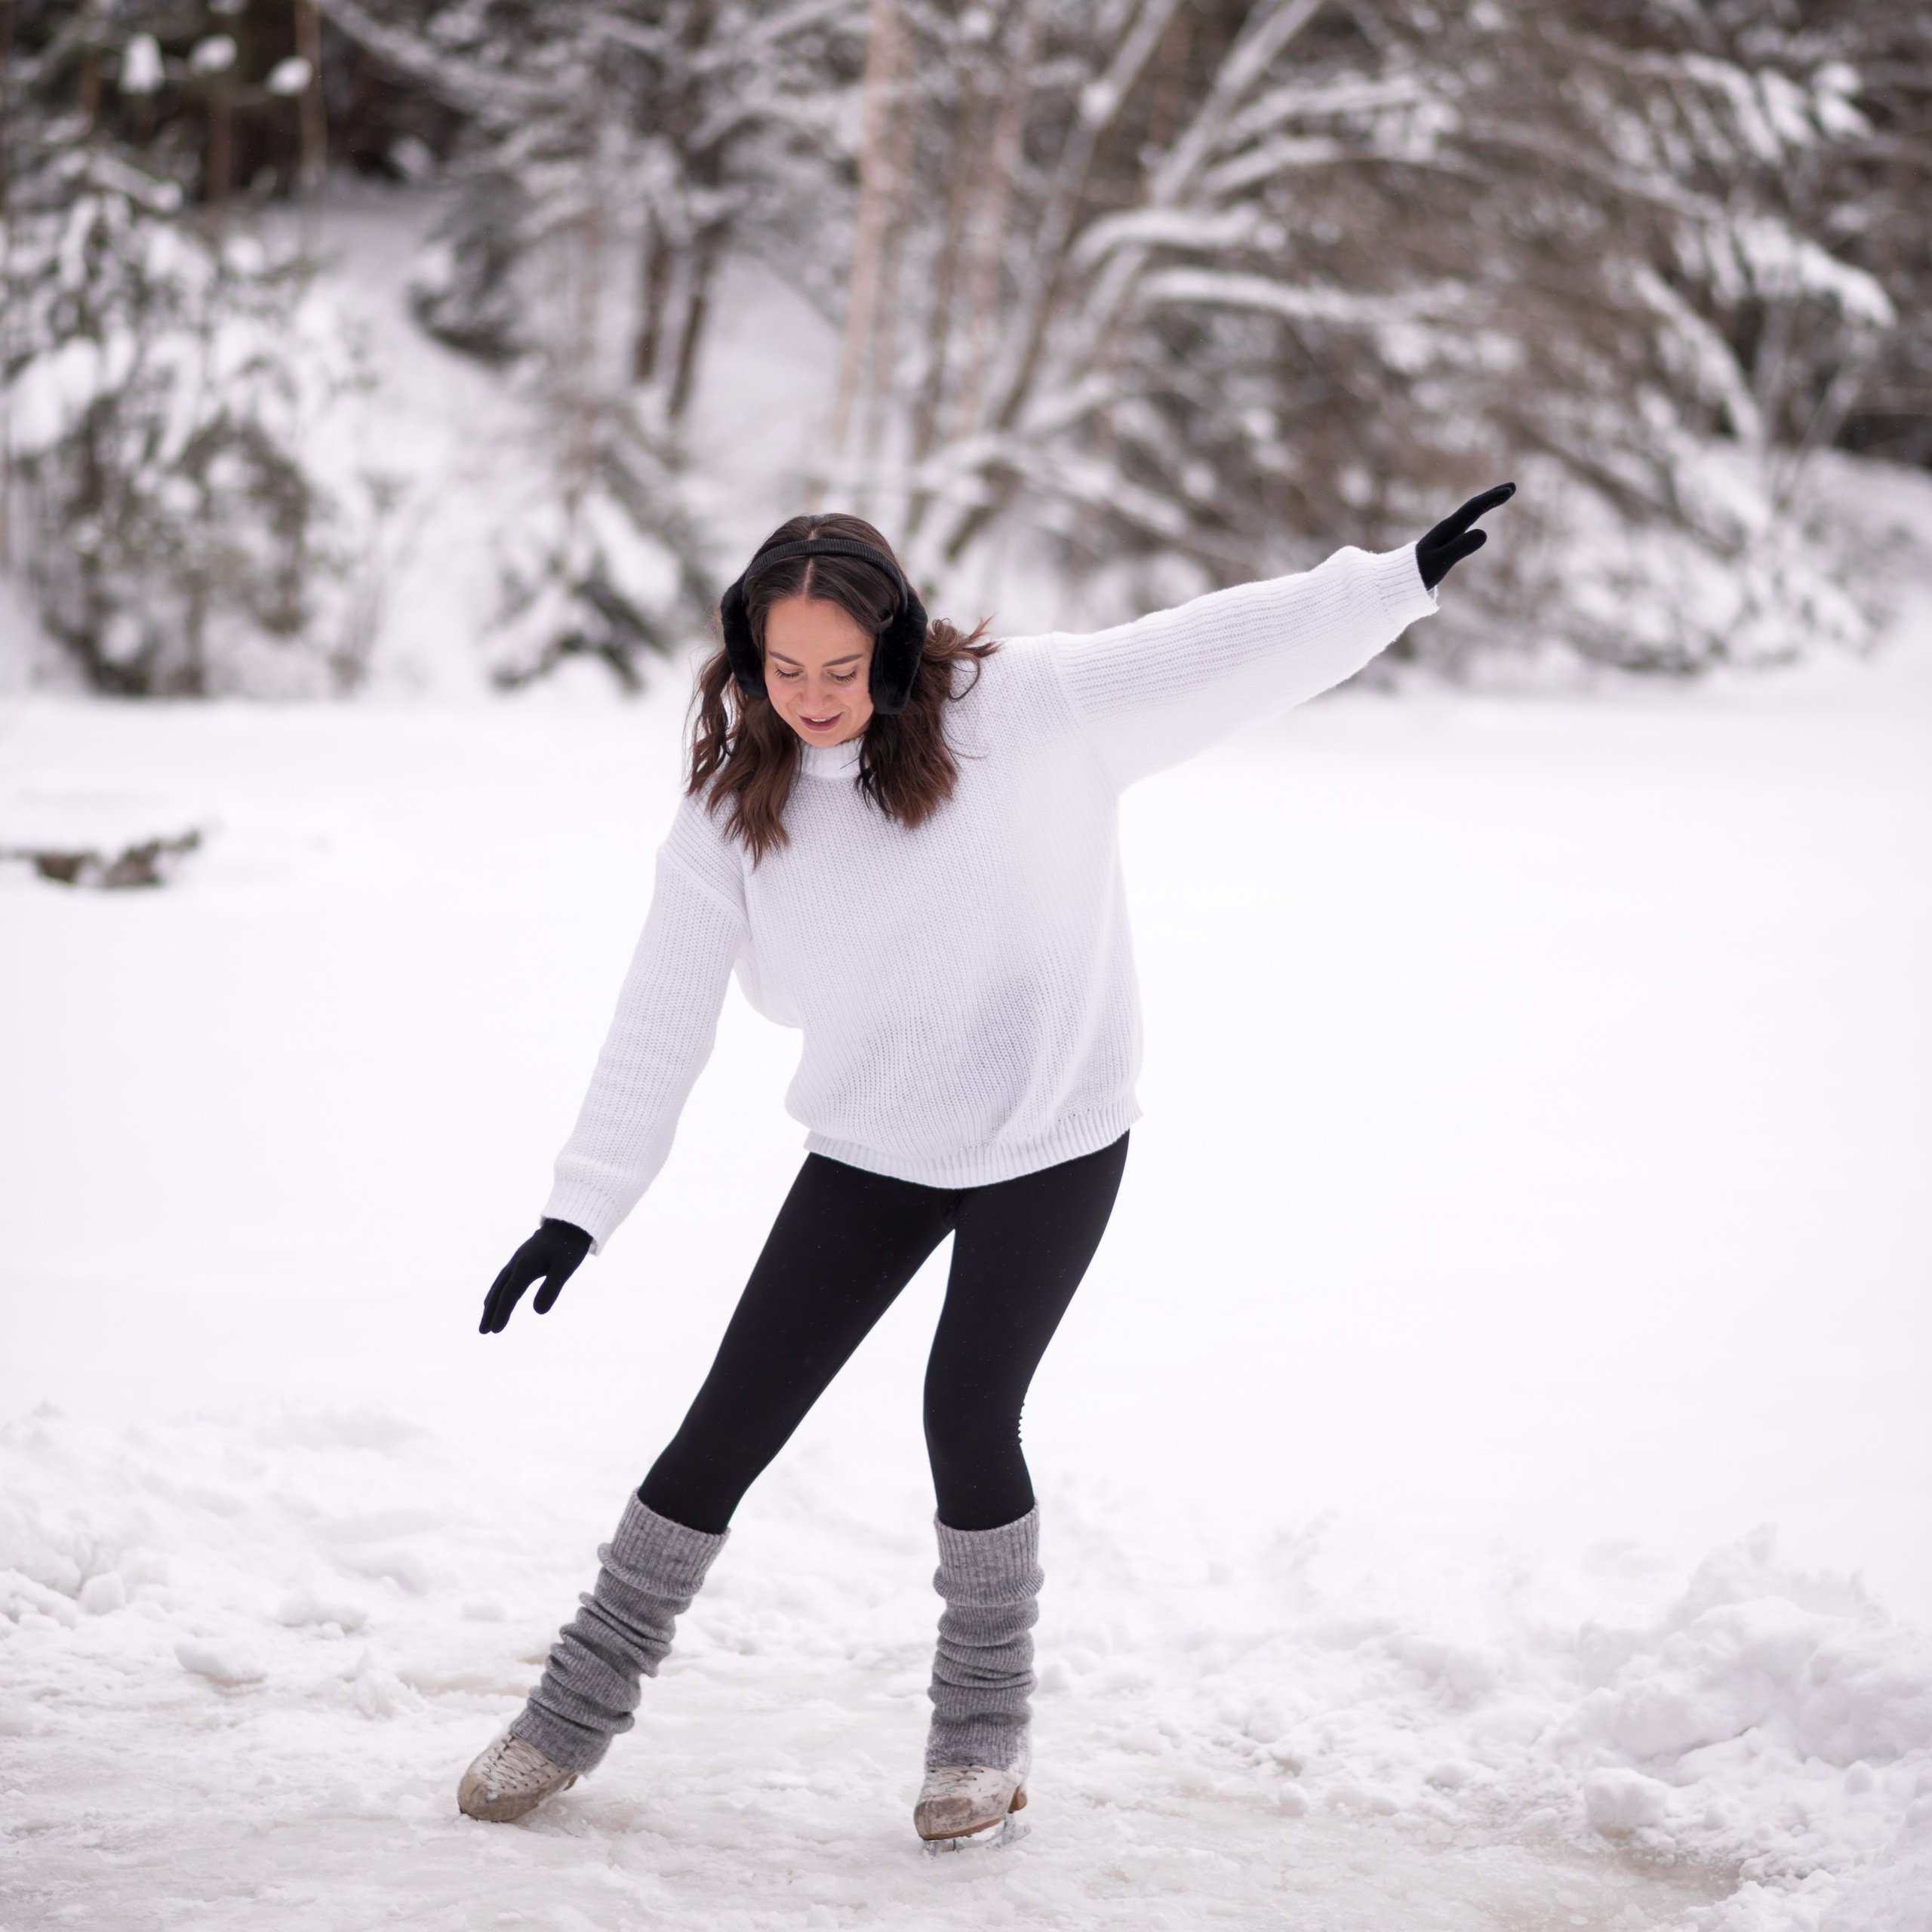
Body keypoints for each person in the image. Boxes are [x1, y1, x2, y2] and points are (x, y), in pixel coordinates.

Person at [456, 486, 1515, 1844]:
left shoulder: (1022, 709)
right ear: (746, 656)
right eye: (783, 671)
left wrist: (1386, 585)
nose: (814, 698)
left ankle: (979, 1738)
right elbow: (660, 1017)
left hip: (1050, 1127)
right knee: (727, 1425)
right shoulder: (735, 808)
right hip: (877, 1139)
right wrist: (578, 1209)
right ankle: (567, 1717)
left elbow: (1212, 649)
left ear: (894, 648)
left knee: (967, 1411)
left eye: (842, 669)